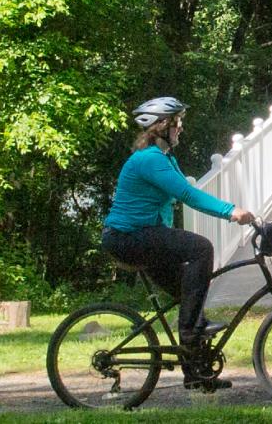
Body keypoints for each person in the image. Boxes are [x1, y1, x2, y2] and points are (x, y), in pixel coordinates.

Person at [100, 96, 254, 388]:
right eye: (177, 122)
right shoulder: (149, 160)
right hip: (127, 237)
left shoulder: (164, 158)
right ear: (161, 126)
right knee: (201, 248)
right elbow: (188, 195)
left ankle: (196, 375)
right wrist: (231, 212)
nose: (181, 128)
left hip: (142, 235)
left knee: (189, 293)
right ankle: (191, 333)